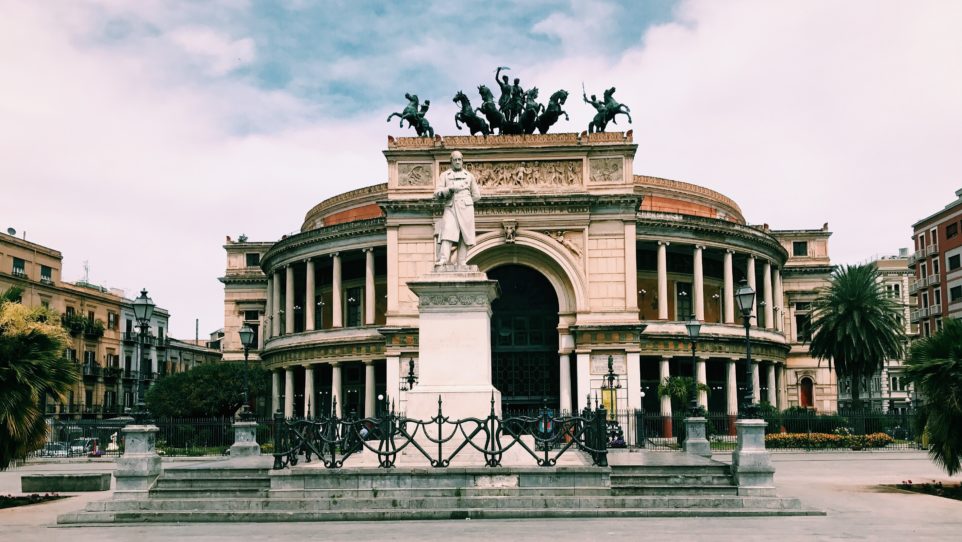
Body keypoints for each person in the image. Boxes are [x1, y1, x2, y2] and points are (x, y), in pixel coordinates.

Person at [435, 151, 481, 266]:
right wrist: (449, 189)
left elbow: (477, 195)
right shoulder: (445, 175)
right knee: (447, 232)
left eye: (459, 160)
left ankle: (462, 261)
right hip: (451, 207)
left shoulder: (469, 176)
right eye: (455, 160)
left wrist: (466, 201)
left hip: (466, 208)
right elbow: (436, 193)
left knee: (464, 235)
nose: (457, 162)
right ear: (451, 161)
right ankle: (444, 259)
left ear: (462, 161)